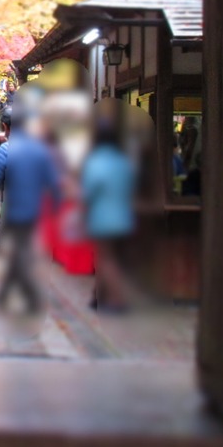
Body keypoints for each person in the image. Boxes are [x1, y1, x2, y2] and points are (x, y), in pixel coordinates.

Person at [0, 110, 60, 315]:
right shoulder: (41, 150)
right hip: (38, 211)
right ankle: (3, 295)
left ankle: (31, 297)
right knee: (18, 252)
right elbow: (54, 184)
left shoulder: (6, 150)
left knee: (16, 253)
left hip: (14, 211)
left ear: (6, 127)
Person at [80, 121, 137, 312]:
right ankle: (97, 295)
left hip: (103, 219)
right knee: (114, 258)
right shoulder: (123, 161)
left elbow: (88, 192)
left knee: (106, 259)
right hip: (125, 217)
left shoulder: (96, 162)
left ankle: (117, 300)